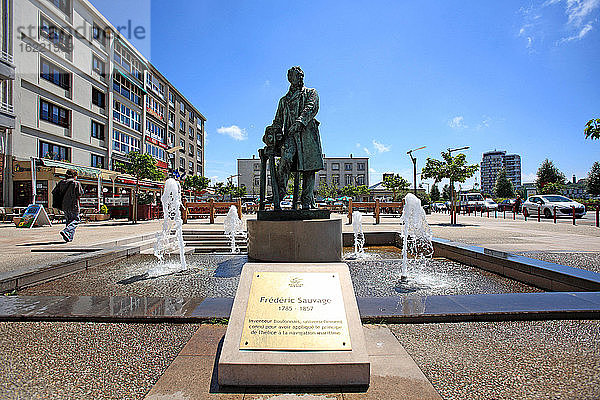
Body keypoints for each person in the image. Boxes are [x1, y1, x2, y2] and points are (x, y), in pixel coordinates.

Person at [267, 66, 324, 209]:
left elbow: (311, 108)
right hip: (290, 136)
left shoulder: (311, 92)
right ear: (290, 79)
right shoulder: (284, 100)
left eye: (301, 76)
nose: (300, 78)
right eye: (297, 76)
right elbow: (277, 121)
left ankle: (307, 201)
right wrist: (271, 134)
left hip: (307, 136)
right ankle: (280, 193)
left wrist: (300, 122)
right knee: (285, 158)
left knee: (309, 169)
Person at [52, 169, 84, 242]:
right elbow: (80, 194)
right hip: (74, 205)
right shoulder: (76, 183)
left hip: (64, 205)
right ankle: (66, 231)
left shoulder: (61, 182)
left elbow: (54, 192)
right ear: (75, 176)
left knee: (69, 221)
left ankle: (69, 237)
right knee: (75, 220)